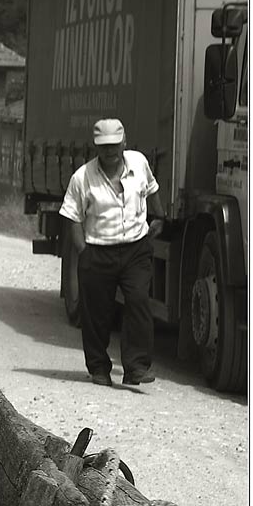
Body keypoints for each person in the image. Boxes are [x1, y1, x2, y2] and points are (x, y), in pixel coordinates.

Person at [59, 118, 166, 386]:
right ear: (96, 147)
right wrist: (83, 250)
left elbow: (152, 189)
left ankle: (136, 367)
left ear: (124, 143)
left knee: (139, 301)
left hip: (135, 248)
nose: (110, 151)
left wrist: (160, 217)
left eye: (115, 145)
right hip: (99, 250)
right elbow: (72, 216)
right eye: (105, 146)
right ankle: (98, 368)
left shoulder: (139, 163)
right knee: (97, 312)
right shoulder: (82, 177)